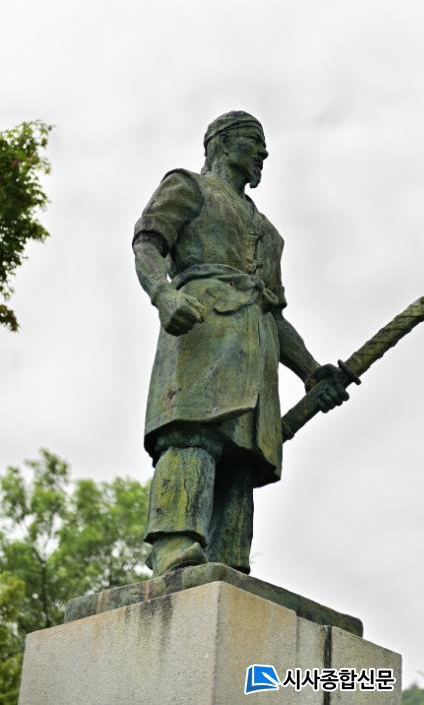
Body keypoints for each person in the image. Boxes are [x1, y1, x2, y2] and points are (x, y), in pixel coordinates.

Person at [133, 111, 348, 576]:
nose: (264, 153)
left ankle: (230, 561)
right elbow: (148, 243)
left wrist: (311, 371)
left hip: (256, 350)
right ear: (222, 142)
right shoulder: (188, 186)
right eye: (254, 140)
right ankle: (174, 546)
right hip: (202, 330)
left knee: (243, 457)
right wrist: (163, 295)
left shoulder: (269, 233)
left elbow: (274, 313)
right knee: (193, 434)